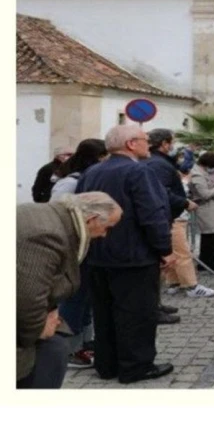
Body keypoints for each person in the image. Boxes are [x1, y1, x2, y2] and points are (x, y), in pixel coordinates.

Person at [75, 124, 175, 384]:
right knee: (137, 314)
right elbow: (151, 214)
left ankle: (107, 364)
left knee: (104, 312)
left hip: (97, 254)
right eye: (144, 140)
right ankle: (136, 366)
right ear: (131, 144)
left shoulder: (91, 172)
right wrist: (164, 249)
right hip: (134, 256)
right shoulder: (138, 172)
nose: (148, 145)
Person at [17, 193, 122, 388]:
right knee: (52, 350)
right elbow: (27, 298)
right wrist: (40, 328)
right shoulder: (48, 234)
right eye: (107, 228)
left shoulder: (53, 217)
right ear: (91, 219)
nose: (105, 235)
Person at [51, 138, 109, 367]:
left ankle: (85, 343)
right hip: (73, 247)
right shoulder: (69, 183)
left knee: (85, 298)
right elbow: (57, 212)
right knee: (74, 299)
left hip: (86, 245)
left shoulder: (88, 177)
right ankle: (70, 349)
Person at [146, 129, 214, 299]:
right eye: (172, 142)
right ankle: (191, 285)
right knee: (181, 250)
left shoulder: (158, 161)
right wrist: (184, 202)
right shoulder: (158, 163)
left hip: (169, 212)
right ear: (164, 144)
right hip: (171, 214)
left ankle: (174, 281)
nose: (173, 146)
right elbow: (162, 190)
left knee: (173, 249)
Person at [189, 152, 214, 271]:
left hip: (212, 209)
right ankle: (206, 262)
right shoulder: (198, 175)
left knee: (213, 236)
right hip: (207, 209)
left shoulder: (204, 172)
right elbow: (205, 194)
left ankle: (211, 261)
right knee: (208, 237)